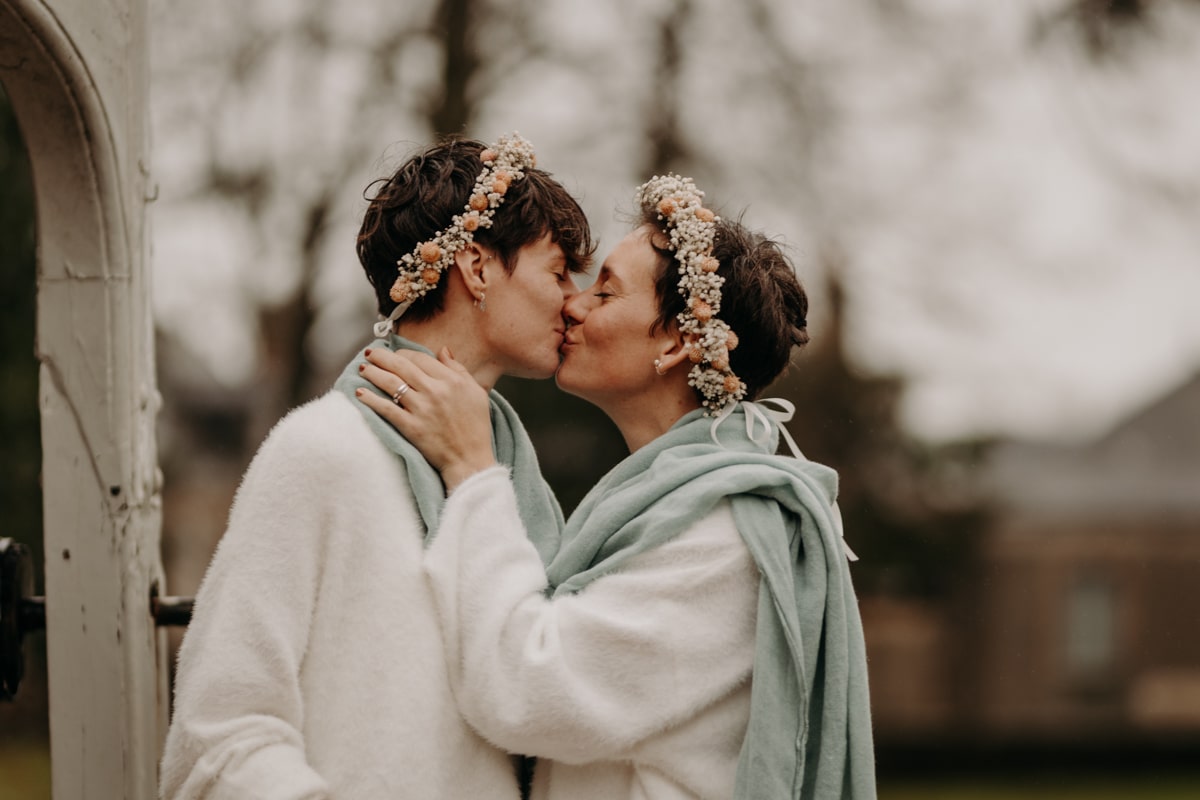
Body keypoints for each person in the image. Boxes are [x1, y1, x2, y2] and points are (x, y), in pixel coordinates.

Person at [357, 174, 877, 799]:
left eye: (605, 293)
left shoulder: (723, 535)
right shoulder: (661, 503)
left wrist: (473, 471)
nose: (572, 304)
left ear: (679, 342)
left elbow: (527, 693)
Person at [159, 133, 594, 799]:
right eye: (558, 272)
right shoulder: (321, 452)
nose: (573, 301)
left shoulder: (505, 476)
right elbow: (219, 730)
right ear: (477, 266)